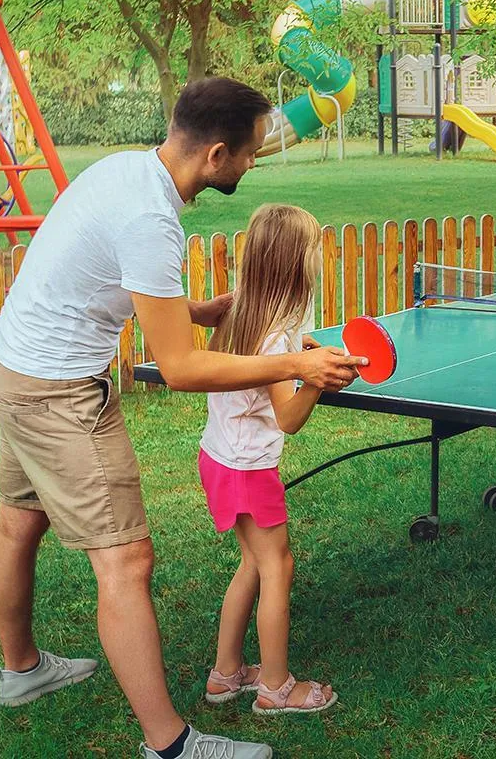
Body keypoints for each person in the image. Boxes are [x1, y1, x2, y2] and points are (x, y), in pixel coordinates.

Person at [0, 77, 365, 759]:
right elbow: (182, 370)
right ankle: (171, 745)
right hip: (58, 391)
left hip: (10, 364)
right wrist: (294, 367)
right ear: (215, 154)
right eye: (248, 154)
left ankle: (22, 671)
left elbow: (106, 274)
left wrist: (194, 309)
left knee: (20, 520)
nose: (251, 164)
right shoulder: (152, 220)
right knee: (126, 562)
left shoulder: (128, 170)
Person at [199, 204, 338, 716]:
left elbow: (263, 359)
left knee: (254, 564)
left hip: (217, 458)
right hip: (249, 470)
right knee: (277, 566)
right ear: (297, 265)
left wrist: (299, 347)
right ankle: (276, 688)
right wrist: (317, 380)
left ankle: (226, 673)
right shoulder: (276, 338)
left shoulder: (240, 313)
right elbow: (289, 418)